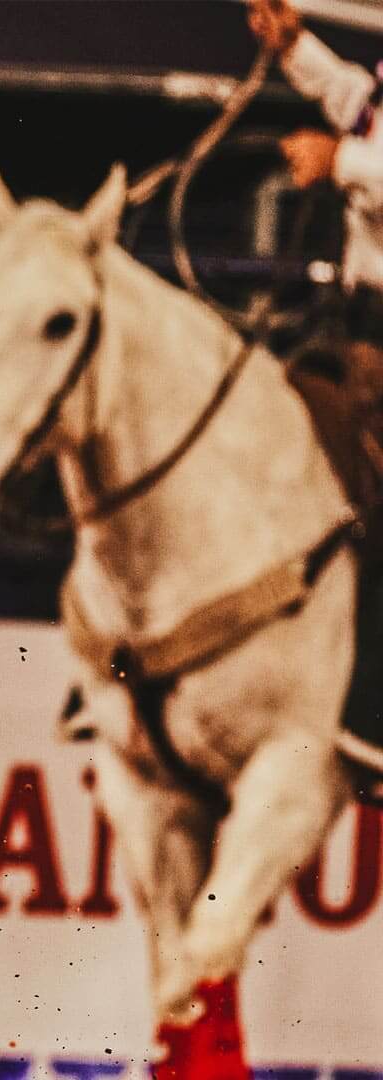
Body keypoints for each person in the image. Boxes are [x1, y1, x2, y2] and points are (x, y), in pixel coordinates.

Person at [250, 0, 383, 795]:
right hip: (362, 327)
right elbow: (363, 109)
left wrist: (342, 164)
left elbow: (362, 142)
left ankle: (372, 716)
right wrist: (299, 52)